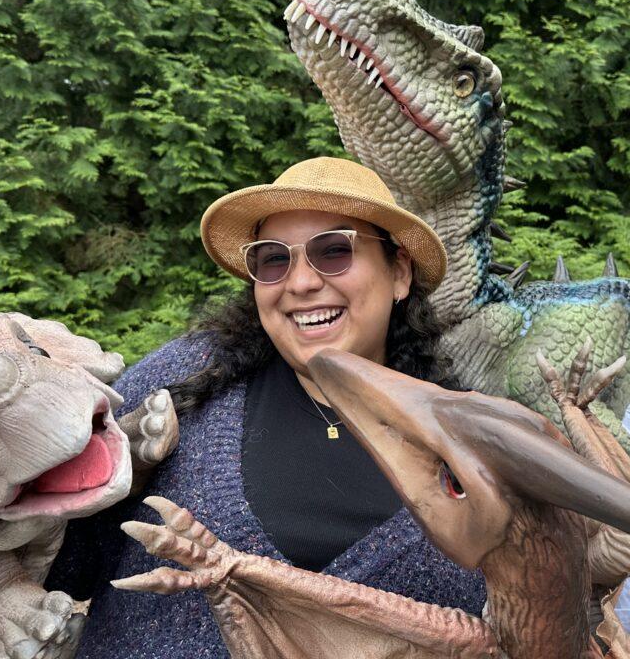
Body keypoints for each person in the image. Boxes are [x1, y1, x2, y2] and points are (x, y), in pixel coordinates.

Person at [46, 157, 486, 658]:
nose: (300, 283)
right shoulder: (182, 380)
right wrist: (95, 477)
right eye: (274, 259)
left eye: (334, 250)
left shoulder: (466, 443)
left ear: (399, 272)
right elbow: (61, 569)